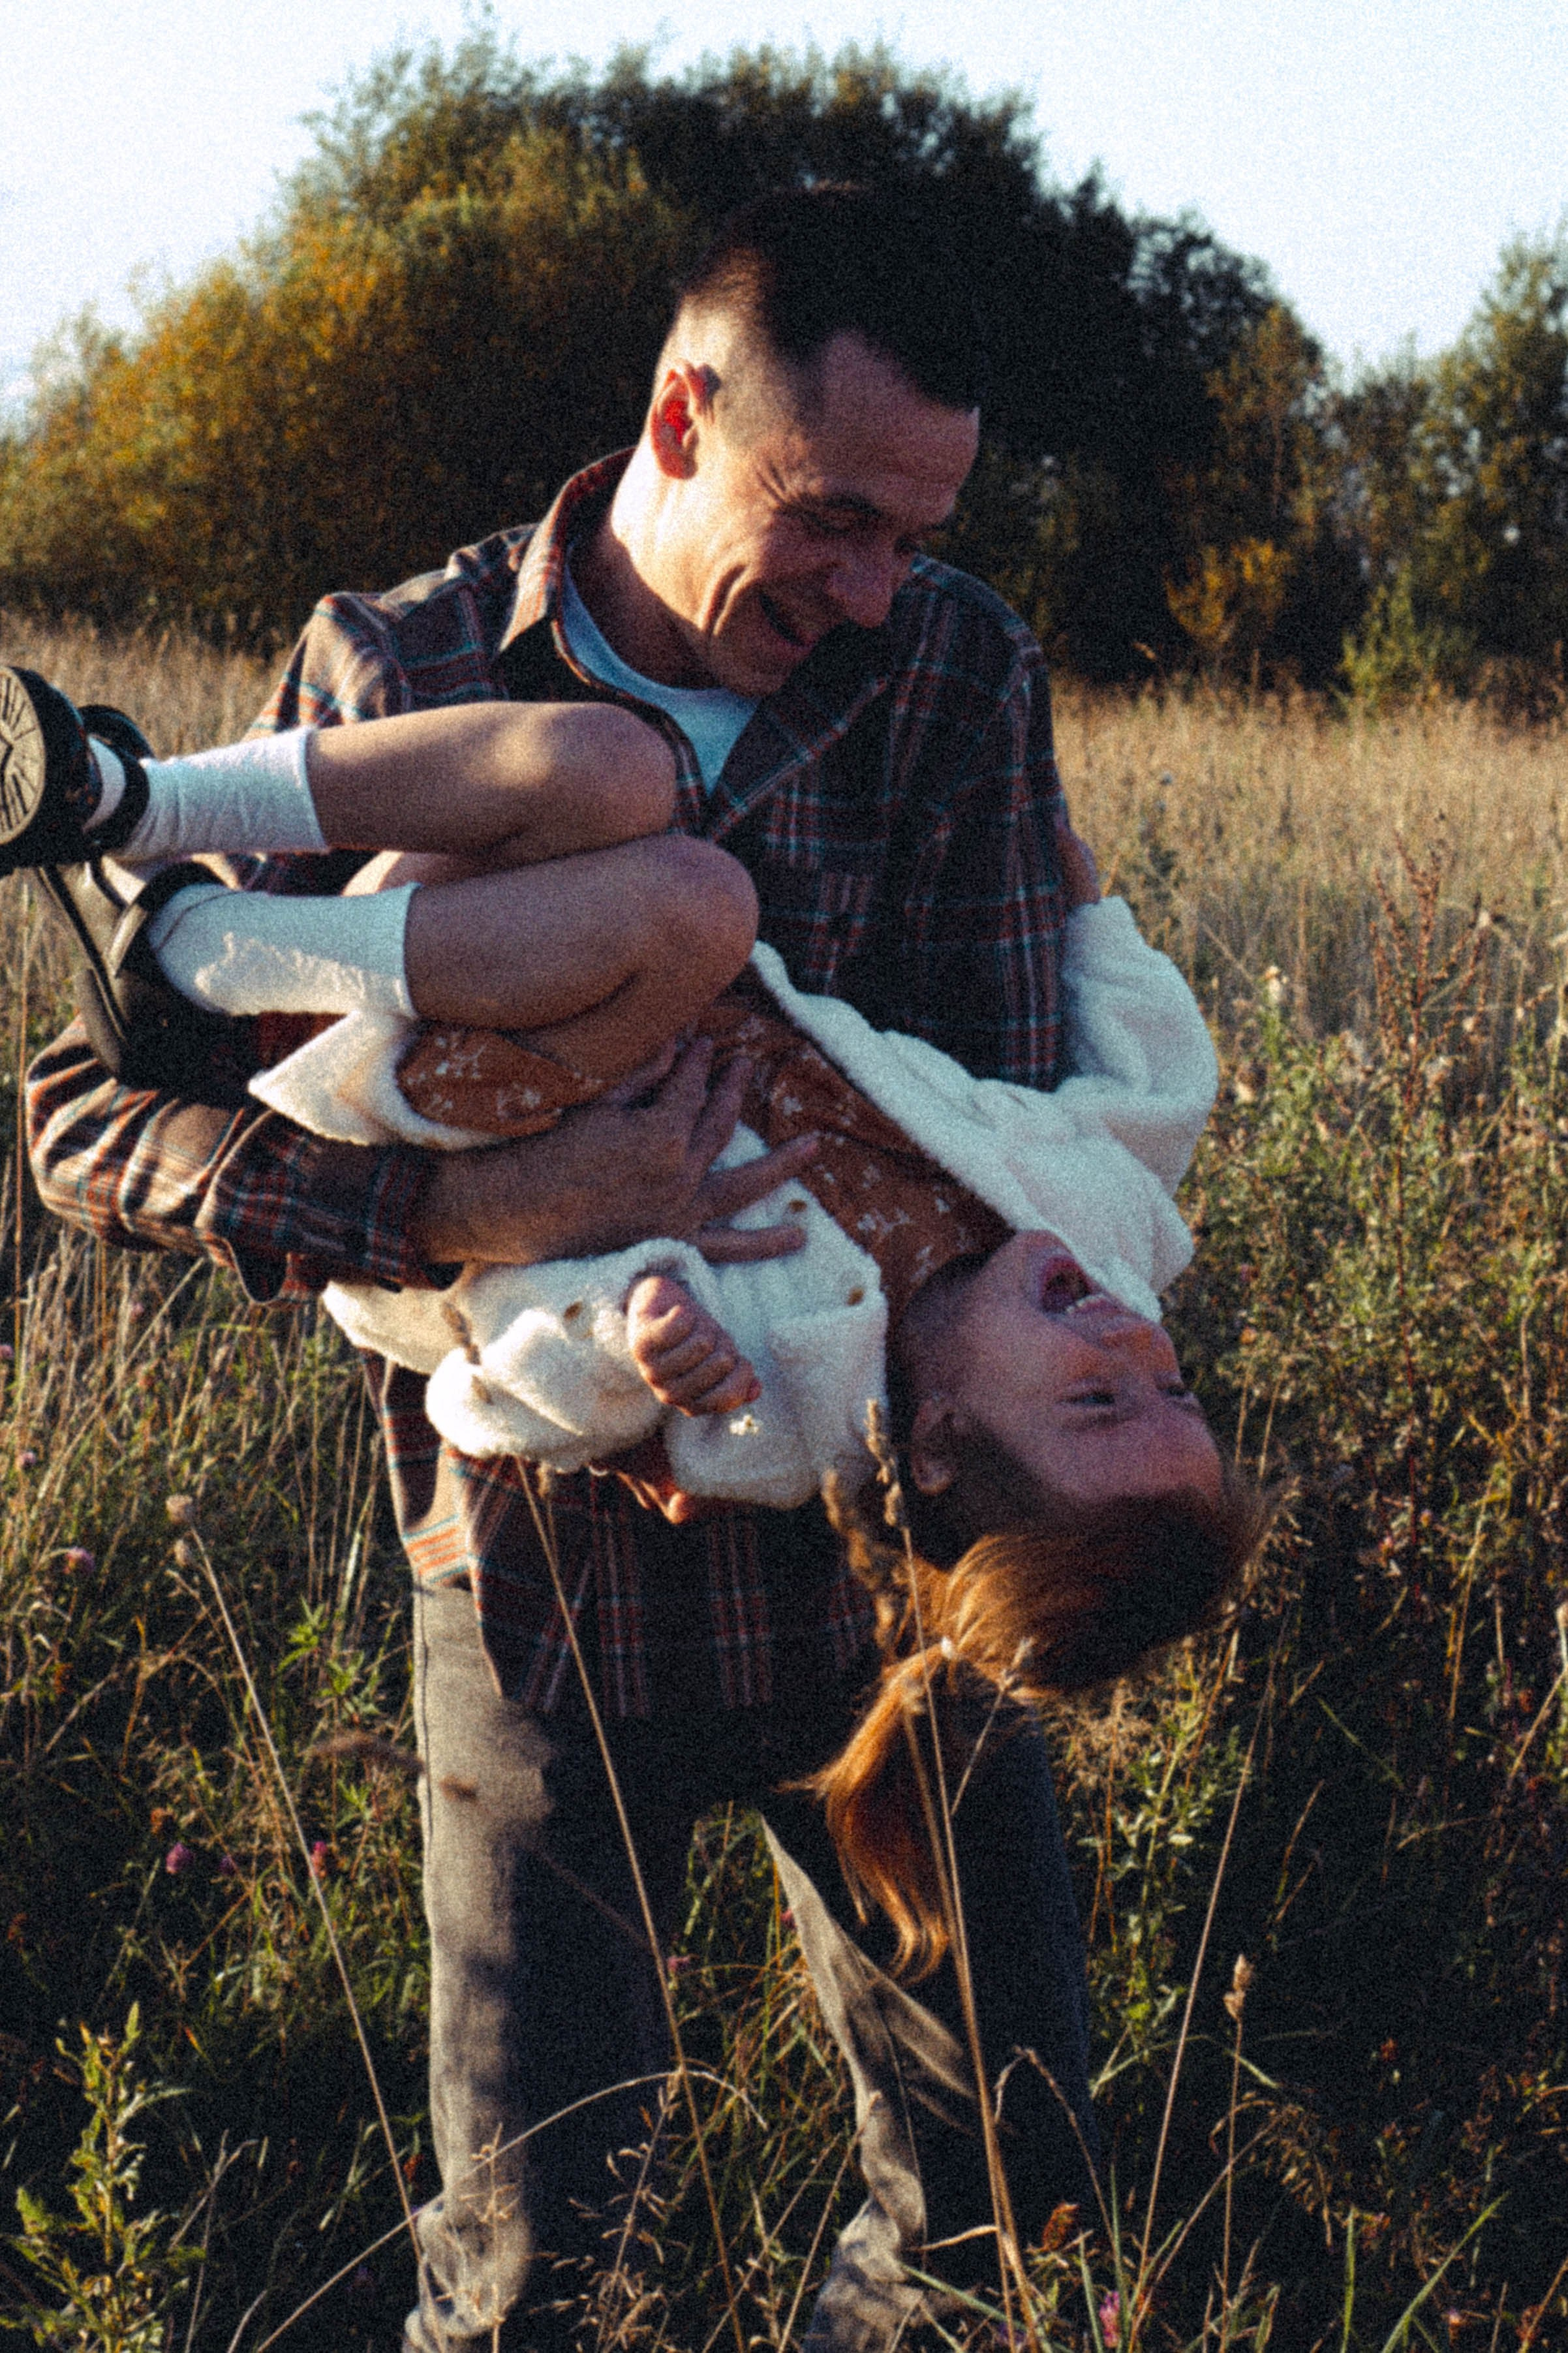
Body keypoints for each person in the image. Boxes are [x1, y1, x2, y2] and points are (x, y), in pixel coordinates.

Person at [22, 185, 1178, 2351]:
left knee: (1006, 2226)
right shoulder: (399, 677)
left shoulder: (956, 667)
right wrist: (453, 1220)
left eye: (913, 536)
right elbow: (85, 1124)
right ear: (678, 413)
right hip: (548, 1615)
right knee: (550, 2282)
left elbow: (1012, 1122)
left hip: (899, 1601)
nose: (868, 591)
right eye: (828, 519)